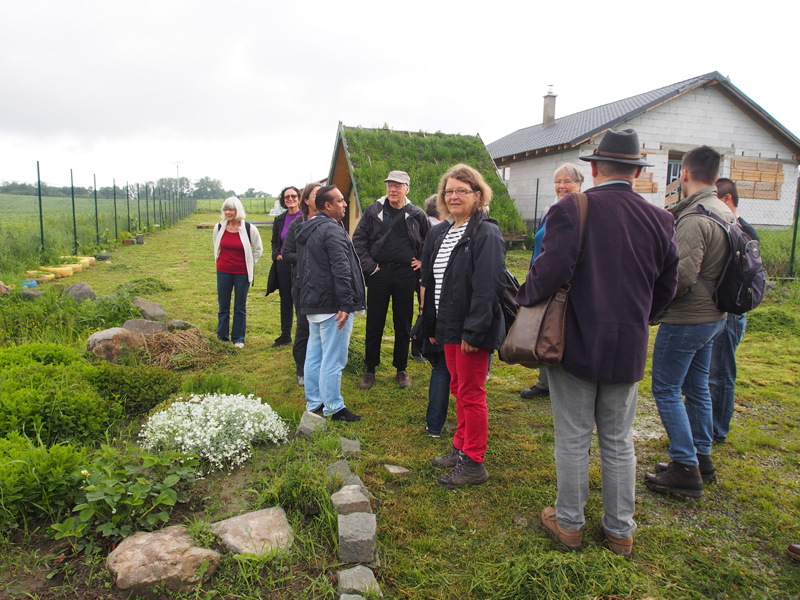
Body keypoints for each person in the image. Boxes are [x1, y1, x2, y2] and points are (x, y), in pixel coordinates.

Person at [517, 128, 679, 557]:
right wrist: (640, 319)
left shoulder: (572, 208)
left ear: (593, 168)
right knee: (619, 440)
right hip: (628, 345)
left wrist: (523, 299)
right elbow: (668, 287)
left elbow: (547, 272)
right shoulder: (662, 219)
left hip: (574, 341)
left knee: (573, 437)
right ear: (636, 171)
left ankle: (570, 523)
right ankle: (620, 531)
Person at [645, 146, 735, 499]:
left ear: (683, 173)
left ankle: (684, 466)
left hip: (687, 319)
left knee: (666, 388)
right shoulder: (724, 211)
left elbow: (681, 277)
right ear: (716, 176)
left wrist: (652, 307)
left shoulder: (695, 218)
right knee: (697, 387)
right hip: (715, 316)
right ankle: (701, 457)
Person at [424, 164, 506, 488]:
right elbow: (439, 283)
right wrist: (434, 325)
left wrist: (474, 331)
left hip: (470, 329)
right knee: (458, 388)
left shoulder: (486, 233)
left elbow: (488, 286)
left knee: (471, 393)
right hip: (449, 326)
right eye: (449, 191)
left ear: (478, 194)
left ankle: (474, 461)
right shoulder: (448, 231)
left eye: (462, 190)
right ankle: (460, 447)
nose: (453, 196)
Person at [352, 170, 431, 390]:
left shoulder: (416, 214)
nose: (392, 189)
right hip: (379, 274)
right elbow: (358, 240)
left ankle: (401, 369)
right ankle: (370, 370)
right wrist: (370, 267)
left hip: (405, 274)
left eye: (397, 186)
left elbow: (431, 240)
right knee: (374, 323)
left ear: (407, 189)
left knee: (402, 324)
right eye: (389, 185)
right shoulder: (374, 211)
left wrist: (423, 261)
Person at [295, 185, 366, 422]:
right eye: (340, 201)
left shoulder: (308, 228)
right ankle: (333, 407)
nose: (345, 204)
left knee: (314, 355)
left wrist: (307, 302)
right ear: (327, 205)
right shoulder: (332, 229)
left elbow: (304, 269)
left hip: (314, 303)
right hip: (333, 306)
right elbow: (341, 268)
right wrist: (346, 304)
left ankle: (314, 402)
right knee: (333, 358)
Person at [520, 163, 585, 401]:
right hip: (541, 276)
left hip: (563, 282)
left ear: (579, 184)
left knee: (558, 330)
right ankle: (544, 382)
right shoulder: (550, 210)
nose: (561, 186)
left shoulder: (581, 209)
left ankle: (561, 384)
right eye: (558, 181)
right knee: (544, 328)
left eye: (567, 181)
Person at [709, 178, 758, 444]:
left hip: (730, 313)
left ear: (727, 199)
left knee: (720, 373)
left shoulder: (740, 231)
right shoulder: (734, 227)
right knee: (710, 373)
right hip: (721, 312)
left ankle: (717, 429)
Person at [213, 196, 263, 349]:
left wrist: (249, 263)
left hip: (242, 274)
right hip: (223, 272)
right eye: (225, 209)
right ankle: (222, 337)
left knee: (240, 307)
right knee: (223, 306)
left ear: (238, 210)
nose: (228, 212)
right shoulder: (219, 227)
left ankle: (238, 338)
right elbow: (217, 247)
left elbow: (258, 249)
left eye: (231, 209)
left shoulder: (249, 228)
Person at [282, 182, 319, 386]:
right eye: (315, 195)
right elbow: (287, 253)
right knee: (304, 326)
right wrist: (310, 258)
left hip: (324, 286)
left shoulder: (330, 222)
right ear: (306, 200)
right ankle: (302, 369)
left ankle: (319, 366)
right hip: (302, 284)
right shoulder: (297, 224)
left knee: (323, 329)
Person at [419, 196, 450, 437]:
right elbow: (427, 276)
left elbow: (425, 279)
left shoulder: (436, 232)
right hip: (451, 312)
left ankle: (434, 425)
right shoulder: (437, 232)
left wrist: (425, 313)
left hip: (440, 312)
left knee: (442, 366)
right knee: (445, 367)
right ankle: (437, 424)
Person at [270, 186, 303, 348]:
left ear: (299, 198)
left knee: (301, 299)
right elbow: (275, 241)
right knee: (286, 300)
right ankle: (285, 335)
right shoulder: (279, 220)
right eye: (287, 197)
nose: (290, 199)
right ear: (283, 200)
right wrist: (276, 254)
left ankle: (303, 335)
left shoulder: (305, 218)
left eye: (293, 196)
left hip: (301, 264)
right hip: (283, 265)